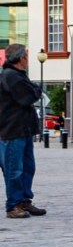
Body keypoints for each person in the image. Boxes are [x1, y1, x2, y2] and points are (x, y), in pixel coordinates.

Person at [0, 44, 46, 219]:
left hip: (23, 130)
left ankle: (24, 200)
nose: (28, 59)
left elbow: (33, 92)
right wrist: (35, 89)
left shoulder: (18, 75)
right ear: (21, 59)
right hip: (13, 131)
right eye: (27, 56)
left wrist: (35, 89)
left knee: (28, 168)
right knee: (14, 170)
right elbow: (29, 96)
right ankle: (13, 205)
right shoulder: (11, 76)